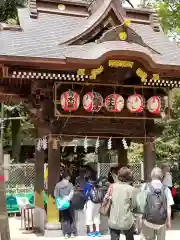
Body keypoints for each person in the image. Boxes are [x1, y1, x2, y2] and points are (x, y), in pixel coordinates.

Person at [140, 167, 174, 240]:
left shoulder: (145, 187)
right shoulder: (166, 189)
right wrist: (169, 221)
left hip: (147, 221)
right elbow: (168, 207)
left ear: (151, 176)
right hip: (161, 222)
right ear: (161, 176)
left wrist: (139, 221)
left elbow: (140, 205)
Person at [108, 167, 136, 240]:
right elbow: (134, 206)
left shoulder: (112, 187)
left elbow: (107, 199)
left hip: (113, 219)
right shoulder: (131, 189)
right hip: (127, 221)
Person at [54, 170, 77, 238]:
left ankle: (66, 233)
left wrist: (59, 202)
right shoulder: (70, 184)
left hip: (62, 204)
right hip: (69, 203)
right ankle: (72, 233)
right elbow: (72, 193)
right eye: (69, 176)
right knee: (71, 218)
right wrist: (67, 199)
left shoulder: (58, 185)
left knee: (65, 218)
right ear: (67, 177)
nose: (70, 177)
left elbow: (56, 195)